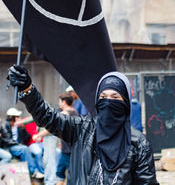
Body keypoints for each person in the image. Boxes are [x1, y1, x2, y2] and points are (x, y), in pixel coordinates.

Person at [7, 65, 160, 185]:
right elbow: (49, 118)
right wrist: (28, 89)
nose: (108, 101)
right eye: (103, 96)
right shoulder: (82, 128)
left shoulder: (139, 143)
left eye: (115, 97)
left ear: (125, 102)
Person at [0, 107, 44, 179]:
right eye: (16, 116)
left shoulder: (18, 126)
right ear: (11, 117)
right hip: (9, 147)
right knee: (24, 149)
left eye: (18, 116)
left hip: (18, 146)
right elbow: (7, 140)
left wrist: (23, 128)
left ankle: (29, 174)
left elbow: (27, 138)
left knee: (25, 149)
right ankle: (34, 172)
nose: (18, 118)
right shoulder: (5, 125)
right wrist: (20, 145)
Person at [56, 92, 78, 185]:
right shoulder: (75, 112)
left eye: (59, 101)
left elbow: (52, 127)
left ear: (64, 102)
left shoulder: (64, 114)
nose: (58, 103)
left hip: (68, 149)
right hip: (71, 147)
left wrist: (39, 135)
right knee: (60, 171)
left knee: (71, 174)